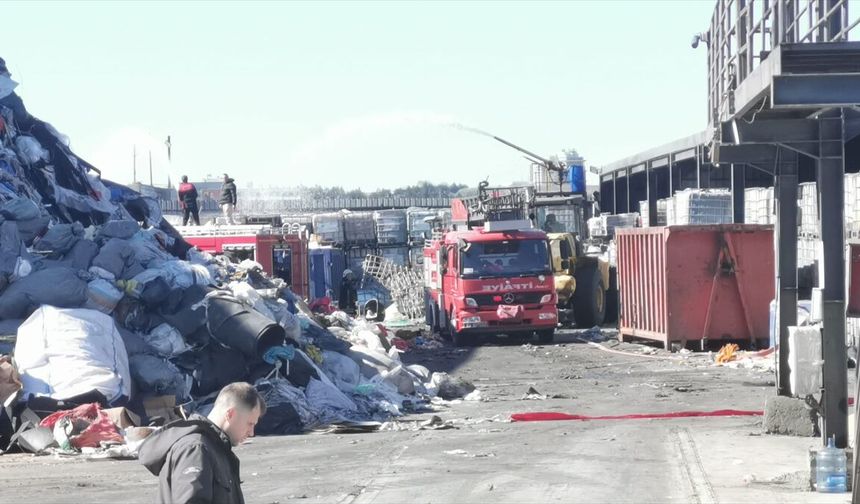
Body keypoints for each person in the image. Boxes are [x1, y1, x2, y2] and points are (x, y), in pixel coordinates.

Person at [139, 382, 266, 504]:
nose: (251, 433)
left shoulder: (216, 449)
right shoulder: (195, 449)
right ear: (230, 414)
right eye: (250, 424)